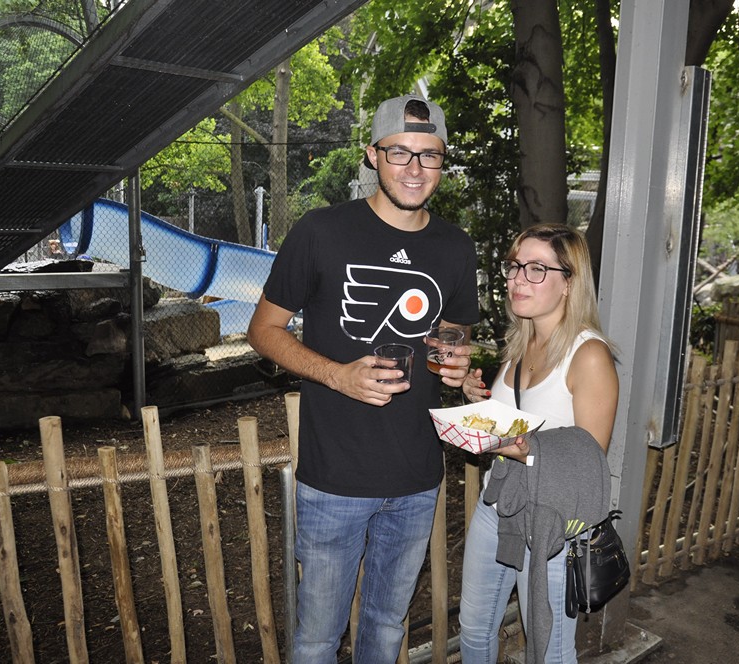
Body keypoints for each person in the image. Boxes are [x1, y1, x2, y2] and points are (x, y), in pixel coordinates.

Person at [247, 94, 479, 664]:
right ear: (373, 155)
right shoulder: (321, 231)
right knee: (317, 639)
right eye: (400, 152)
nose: (414, 168)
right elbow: (263, 330)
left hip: (417, 475)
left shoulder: (455, 246)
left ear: (442, 162)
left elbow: (453, 336)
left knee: (386, 626)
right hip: (334, 477)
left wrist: (454, 362)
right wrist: (337, 376)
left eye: (429, 155)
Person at [458, 223, 619, 664]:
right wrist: (477, 401)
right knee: (473, 629)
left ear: (569, 283)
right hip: (497, 505)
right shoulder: (521, 342)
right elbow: (512, 417)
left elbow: (590, 458)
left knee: (549, 649)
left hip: (551, 523)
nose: (517, 279)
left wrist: (527, 449)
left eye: (536, 269)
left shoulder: (589, 355)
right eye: (514, 267)